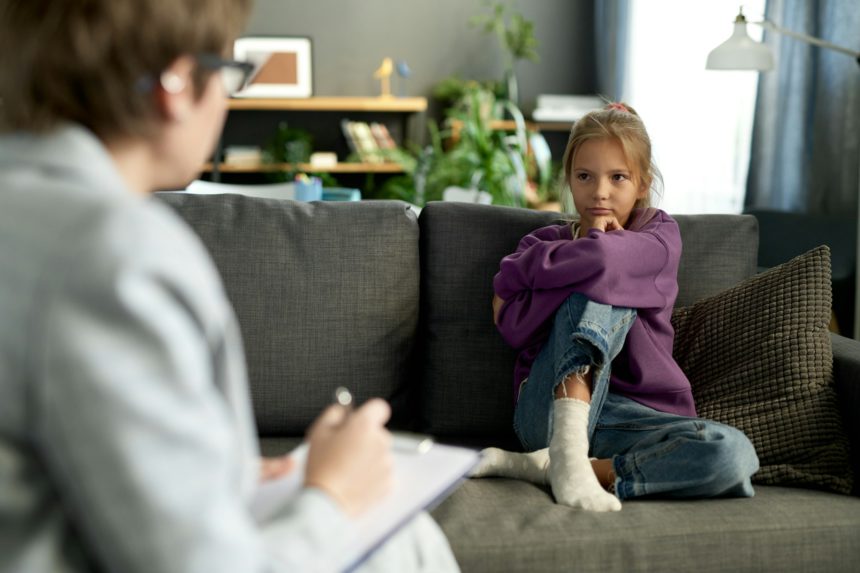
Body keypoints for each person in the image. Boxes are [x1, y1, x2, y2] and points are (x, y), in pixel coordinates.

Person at [0, 1, 458, 571]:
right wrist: (334, 498)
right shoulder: (111, 254)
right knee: (400, 542)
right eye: (229, 76)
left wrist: (218, 468)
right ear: (177, 82)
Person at [470, 102, 760, 511]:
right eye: (584, 176)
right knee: (604, 285)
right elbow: (511, 324)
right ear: (569, 180)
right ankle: (565, 448)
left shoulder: (659, 237)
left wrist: (537, 275)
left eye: (617, 177)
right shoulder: (540, 242)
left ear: (642, 184)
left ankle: (569, 468)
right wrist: (583, 262)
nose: (600, 192)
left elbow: (577, 269)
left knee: (734, 454)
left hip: (637, 417)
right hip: (548, 412)